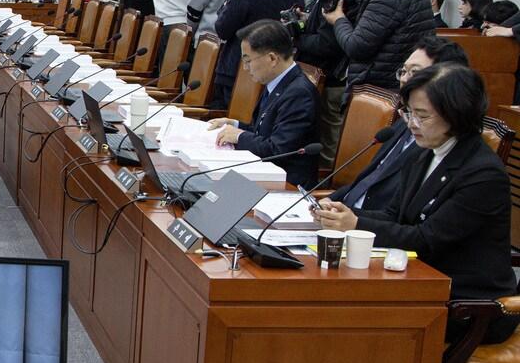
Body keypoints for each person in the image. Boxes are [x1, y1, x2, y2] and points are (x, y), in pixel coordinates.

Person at [315, 65, 519, 345]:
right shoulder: (424, 153)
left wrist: (357, 224)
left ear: (456, 115)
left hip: (469, 306)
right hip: (421, 282)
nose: (411, 124)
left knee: (352, 317)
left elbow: (427, 239)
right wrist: (345, 215)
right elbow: (393, 215)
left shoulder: (483, 174)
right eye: (408, 113)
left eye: (422, 116)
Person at [328, 35, 470, 212]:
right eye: (403, 71)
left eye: (415, 73)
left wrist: (355, 220)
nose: (404, 79)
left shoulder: (438, 141)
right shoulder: (402, 121)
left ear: (446, 80)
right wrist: (329, 200)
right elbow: (370, 179)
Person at [206, 20, 319, 185]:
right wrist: (234, 125)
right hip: (262, 173)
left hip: (286, 185)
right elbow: (263, 133)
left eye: (248, 60)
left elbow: (278, 150)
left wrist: (240, 136)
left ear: (272, 58)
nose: (245, 68)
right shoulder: (278, 82)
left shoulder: (299, 94)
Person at [295, 0, 363, 167]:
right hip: (335, 75)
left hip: (332, 77)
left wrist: (297, 36)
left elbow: (328, 43)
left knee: (328, 147)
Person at [210, 0, 304, 108]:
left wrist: (225, 6)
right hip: (280, 65)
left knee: (230, 116)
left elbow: (223, 29)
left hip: (241, 66)